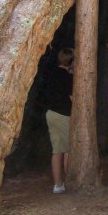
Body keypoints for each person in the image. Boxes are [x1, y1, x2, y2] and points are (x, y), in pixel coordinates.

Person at [44, 48, 74, 194]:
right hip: (63, 115)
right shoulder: (67, 77)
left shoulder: (51, 73)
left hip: (50, 113)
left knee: (57, 150)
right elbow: (72, 97)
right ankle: (69, 182)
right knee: (68, 149)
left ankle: (58, 185)